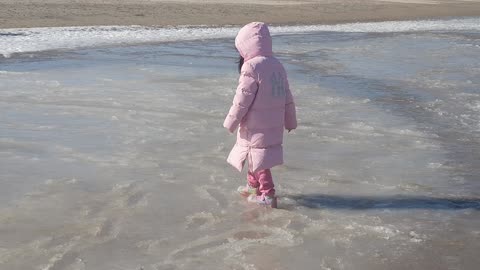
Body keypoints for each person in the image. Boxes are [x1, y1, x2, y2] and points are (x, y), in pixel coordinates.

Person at [223, 22, 297, 208]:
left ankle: (268, 194)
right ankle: (252, 186)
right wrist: (290, 121)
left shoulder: (251, 67)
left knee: (259, 160)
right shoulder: (277, 65)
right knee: (254, 156)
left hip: (255, 125)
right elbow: (287, 96)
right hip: (273, 124)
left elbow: (242, 100)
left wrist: (231, 122)